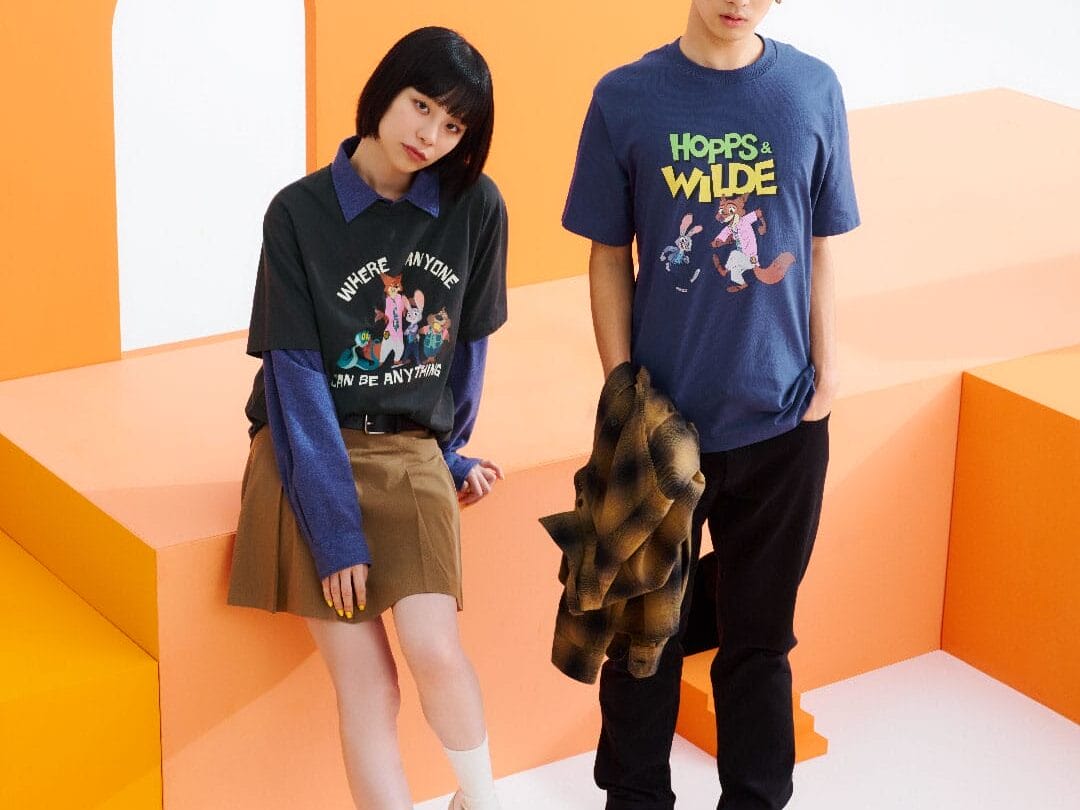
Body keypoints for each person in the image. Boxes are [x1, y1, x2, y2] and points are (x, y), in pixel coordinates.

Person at [561, 1, 860, 808]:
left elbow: (822, 245)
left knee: (760, 644)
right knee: (640, 642)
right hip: (660, 431)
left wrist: (828, 376)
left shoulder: (810, 90)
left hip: (785, 425)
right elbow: (605, 256)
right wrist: (623, 390)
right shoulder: (626, 96)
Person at [227, 26, 507, 810]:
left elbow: (468, 345)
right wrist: (335, 529)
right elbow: (295, 377)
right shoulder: (299, 214)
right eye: (422, 106)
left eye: (454, 126)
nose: (431, 136)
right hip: (305, 451)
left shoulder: (474, 206)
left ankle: (481, 800)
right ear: (385, 92)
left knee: (433, 648)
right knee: (369, 684)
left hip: (410, 448)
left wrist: (449, 450)